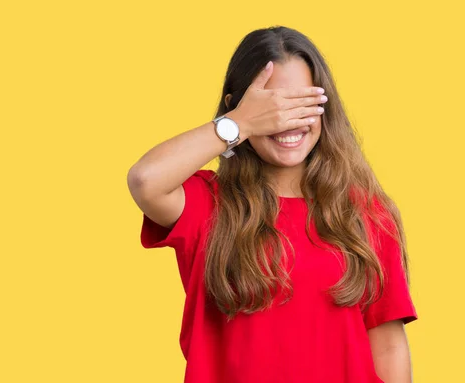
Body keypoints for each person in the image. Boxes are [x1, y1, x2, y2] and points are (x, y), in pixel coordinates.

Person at [127, 26, 417, 383]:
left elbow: (387, 345)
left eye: (303, 104)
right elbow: (145, 179)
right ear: (236, 108)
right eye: (272, 107)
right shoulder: (208, 204)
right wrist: (240, 123)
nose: (286, 120)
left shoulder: (365, 213)